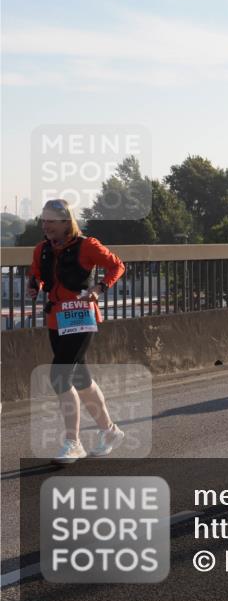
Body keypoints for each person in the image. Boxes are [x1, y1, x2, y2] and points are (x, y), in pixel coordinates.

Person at [27, 199, 126, 465]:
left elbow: (117, 266)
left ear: (65, 221)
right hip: (56, 319)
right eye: (43, 220)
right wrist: (34, 286)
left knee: (59, 375)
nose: (45, 225)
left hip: (81, 317)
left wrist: (99, 289)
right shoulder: (42, 250)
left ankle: (73, 442)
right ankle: (110, 432)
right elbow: (36, 273)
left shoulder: (87, 246)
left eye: (50, 220)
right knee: (79, 379)